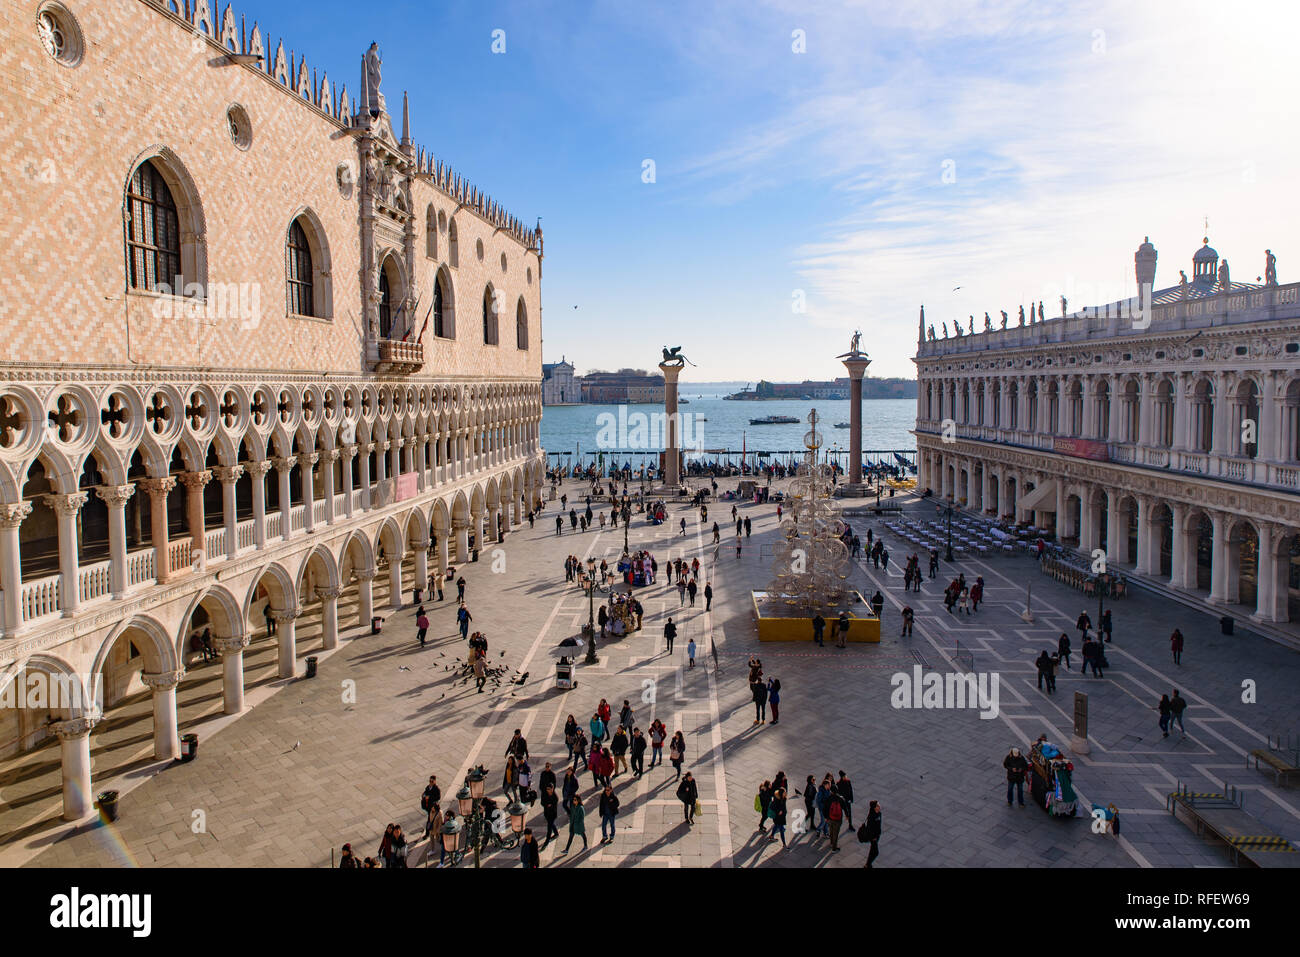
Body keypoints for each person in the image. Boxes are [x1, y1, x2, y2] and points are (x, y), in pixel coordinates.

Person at [862, 800, 882, 868]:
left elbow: (878, 825)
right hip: (873, 837)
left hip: (877, 835)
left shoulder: (879, 813)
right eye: (877, 805)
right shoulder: (871, 816)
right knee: (876, 852)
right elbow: (869, 828)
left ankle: (867, 864)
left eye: (879, 804)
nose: (879, 806)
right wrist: (873, 838)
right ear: (874, 807)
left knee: (872, 851)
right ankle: (867, 864)